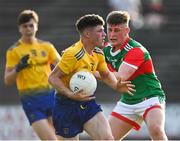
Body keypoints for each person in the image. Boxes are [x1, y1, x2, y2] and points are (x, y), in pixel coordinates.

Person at [48, 14, 135, 140]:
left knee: (107, 139)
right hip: (65, 106)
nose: (105, 34)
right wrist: (70, 94)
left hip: (87, 103)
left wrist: (116, 85)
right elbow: (52, 78)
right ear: (88, 34)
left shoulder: (98, 53)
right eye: (100, 31)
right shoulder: (73, 54)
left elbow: (105, 75)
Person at [103, 11, 168, 140]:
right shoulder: (106, 49)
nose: (112, 34)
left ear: (127, 30)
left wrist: (91, 72)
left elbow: (121, 77)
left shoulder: (136, 50)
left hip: (149, 98)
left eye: (117, 30)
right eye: (109, 30)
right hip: (128, 101)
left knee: (156, 130)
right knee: (106, 138)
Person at [4, 10, 60, 140]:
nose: (28, 29)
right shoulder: (14, 51)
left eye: (31, 25)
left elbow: (62, 65)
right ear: (19, 28)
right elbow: (7, 80)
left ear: (36, 26)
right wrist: (18, 68)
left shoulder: (47, 47)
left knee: (63, 137)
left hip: (52, 98)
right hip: (32, 103)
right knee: (50, 139)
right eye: (25, 26)